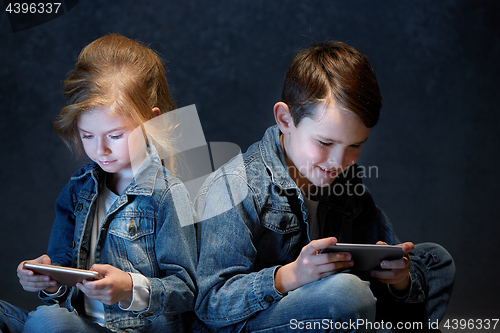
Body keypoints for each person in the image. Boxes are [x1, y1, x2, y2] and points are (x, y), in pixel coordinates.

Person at [193, 41, 455, 332]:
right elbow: (210, 305)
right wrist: (289, 276)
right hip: (261, 322)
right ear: (285, 119)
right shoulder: (234, 185)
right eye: (325, 142)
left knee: (435, 262)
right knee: (344, 294)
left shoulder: (344, 184)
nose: (338, 161)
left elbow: (388, 253)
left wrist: (399, 279)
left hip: (333, 314)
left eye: (355, 145)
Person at [0, 33, 197, 332]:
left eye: (115, 136)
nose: (99, 150)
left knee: (44, 321)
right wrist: (48, 280)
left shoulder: (167, 194)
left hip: (138, 329)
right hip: (81, 323)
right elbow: (64, 283)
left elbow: (187, 290)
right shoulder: (78, 189)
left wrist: (130, 288)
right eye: (87, 136)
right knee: (42, 317)